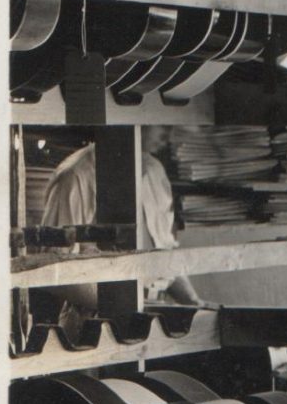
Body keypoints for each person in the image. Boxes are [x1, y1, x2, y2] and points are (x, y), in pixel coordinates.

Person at [37, 127, 201, 315]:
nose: (169, 136)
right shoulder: (76, 175)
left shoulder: (155, 170)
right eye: (162, 125)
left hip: (153, 308)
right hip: (98, 313)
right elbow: (53, 267)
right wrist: (120, 304)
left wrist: (192, 301)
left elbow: (165, 248)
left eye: (173, 127)